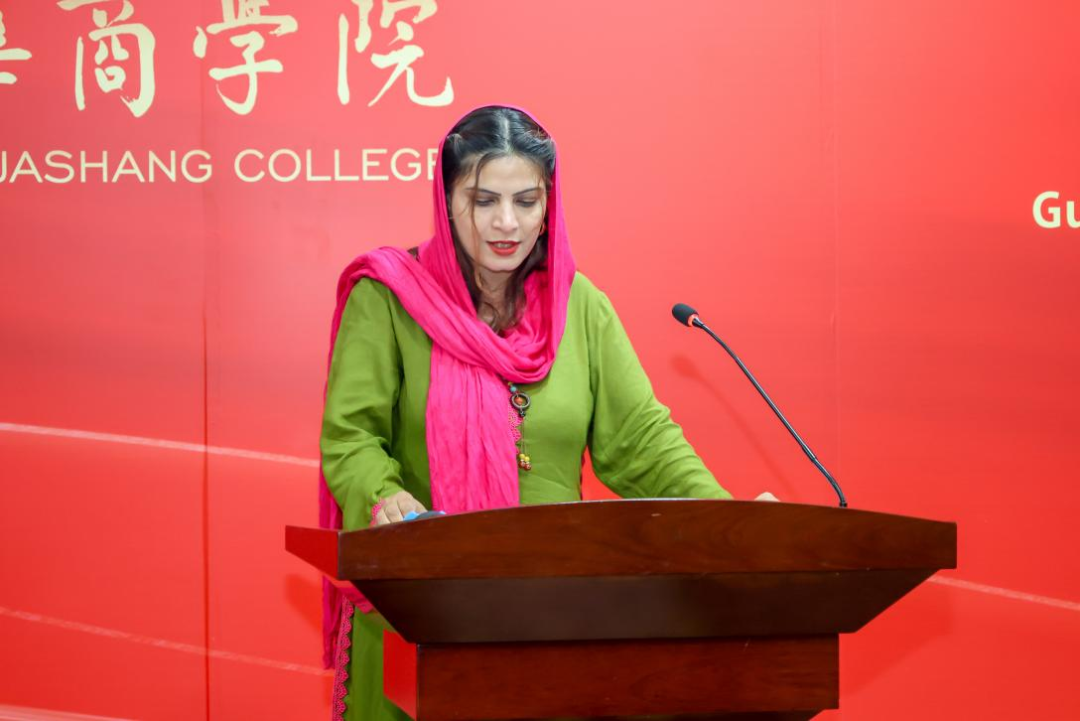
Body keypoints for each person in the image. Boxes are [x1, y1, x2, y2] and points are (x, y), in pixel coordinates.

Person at [318, 104, 733, 721]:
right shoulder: (389, 299)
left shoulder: (580, 305)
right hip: (418, 615)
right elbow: (350, 438)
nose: (506, 223)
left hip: (556, 619)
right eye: (483, 200)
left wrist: (734, 524)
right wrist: (383, 497)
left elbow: (641, 440)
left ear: (548, 206)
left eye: (526, 201)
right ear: (447, 201)